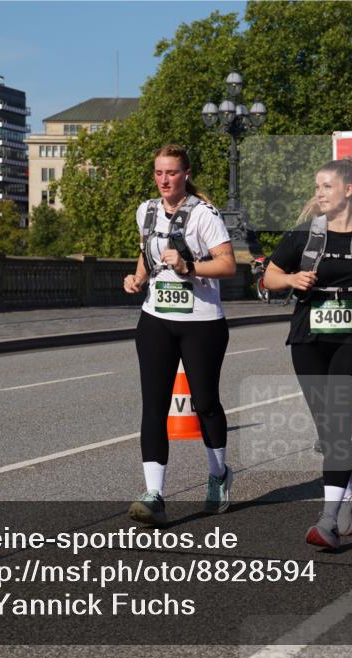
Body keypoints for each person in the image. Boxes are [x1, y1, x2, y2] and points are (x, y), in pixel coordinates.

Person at [263, 157, 352, 548]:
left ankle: (327, 520)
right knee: (326, 426)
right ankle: (349, 491)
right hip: (310, 335)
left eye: (326, 186)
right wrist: (291, 278)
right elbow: (269, 277)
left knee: (339, 423)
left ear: (349, 190)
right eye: (317, 186)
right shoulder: (303, 235)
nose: (319, 193)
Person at [123, 144, 237, 525]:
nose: (164, 180)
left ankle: (219, 474)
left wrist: (190, 265)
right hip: (156, 318)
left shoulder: (204, 215)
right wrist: (138, 278)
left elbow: (228, 264)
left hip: (202, 322)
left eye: (171, 173)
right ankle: (154, 493)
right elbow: (147, 251)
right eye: (158, 173)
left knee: (205, 403)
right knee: (154, 406)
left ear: (185, 174)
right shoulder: (147, 210)